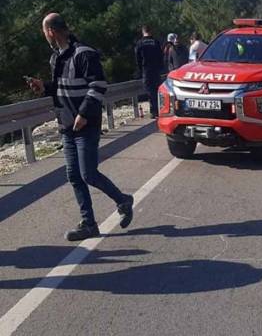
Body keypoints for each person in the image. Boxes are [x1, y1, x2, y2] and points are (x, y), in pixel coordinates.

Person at [26, 13, 134, 241]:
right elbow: (58, 87)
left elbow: (98, 85)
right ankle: (89, 223)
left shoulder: (84, 54)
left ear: (51, 32)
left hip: (86, 125)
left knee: (88, 174)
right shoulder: (56, 58)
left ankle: (123, 200)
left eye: (44, 31)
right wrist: (43, 87)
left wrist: (84, 113)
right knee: (74, 175)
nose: (45, 36)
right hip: (66, 125)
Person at [135, 25, 163, 118]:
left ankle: (153, 111)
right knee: (157, 90)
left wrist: (140, 70)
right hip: (156, 70)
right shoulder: (156, 42)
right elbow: (160, 56)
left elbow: (137, 58)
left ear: (143, 32)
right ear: (151, 31)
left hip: (146, 70)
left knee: (150, 91)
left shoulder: (140, 43)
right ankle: (159, 110)